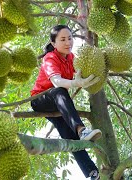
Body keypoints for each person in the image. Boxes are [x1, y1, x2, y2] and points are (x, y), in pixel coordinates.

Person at [30, 25, 102, 180]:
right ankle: (82, 129)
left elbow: (82, 72)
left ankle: (91, 172)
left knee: (69, 135)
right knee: (59, 90)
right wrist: (77, 83)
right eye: (62, 39)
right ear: (54, 43)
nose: (68, 42)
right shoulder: (50, 58)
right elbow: (56, 81)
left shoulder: (71, 58)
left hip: (58, 105)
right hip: (40, 101)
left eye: (70, 38)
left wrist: (96, 70)